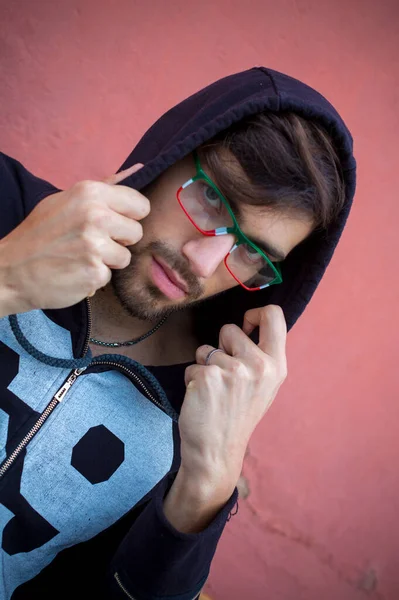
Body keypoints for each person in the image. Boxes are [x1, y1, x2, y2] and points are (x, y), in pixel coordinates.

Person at [0, 66, 356, 600]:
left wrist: (206, 486)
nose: (204, 260)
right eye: (213, 198)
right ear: (171, 151)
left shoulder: (191, 419)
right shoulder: (8, 206)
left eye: (251, 252)